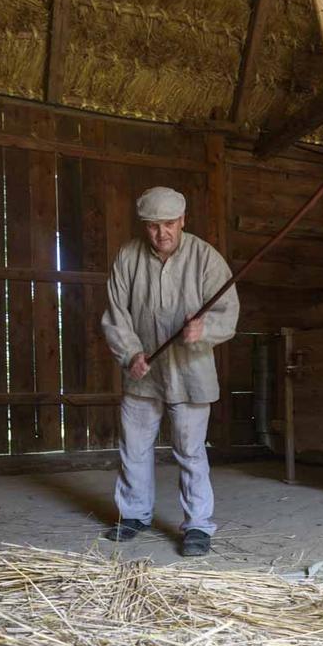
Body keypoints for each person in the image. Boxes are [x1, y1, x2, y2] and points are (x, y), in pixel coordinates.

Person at [101, 185, 239, 556]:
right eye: (151, 226)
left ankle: (197, 525)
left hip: (190, 372)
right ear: (142, 225)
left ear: (182, 220)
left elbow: (229, 315)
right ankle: (133, 514)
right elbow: (116, 315)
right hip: (142, 371)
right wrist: (130, 354)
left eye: (168, 224)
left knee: (190, 452)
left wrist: (203, 330)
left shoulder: (206, 259)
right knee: (134, 446)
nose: (161, 234)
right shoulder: (128, 257)